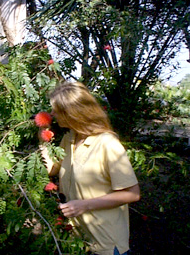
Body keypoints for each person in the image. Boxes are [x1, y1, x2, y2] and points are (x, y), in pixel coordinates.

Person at [40, 82, 140, 255]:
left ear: (71, 113)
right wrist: (43, 135)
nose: (52, 114)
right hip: (77, 241)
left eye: (56, 110)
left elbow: (133, 193)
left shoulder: (107, 144)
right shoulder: (69, 139)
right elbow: (51, 170)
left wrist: (84, 205)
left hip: (105, 244)